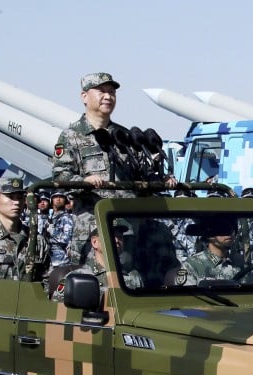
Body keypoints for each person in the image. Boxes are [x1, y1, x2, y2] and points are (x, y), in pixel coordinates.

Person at [52, 72, 174, 264]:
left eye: (111, 92)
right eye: (101, 91)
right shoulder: (71, 136)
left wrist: (161, 179)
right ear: (84, 96)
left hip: (127, 228)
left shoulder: (123, 136)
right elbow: (61, 176)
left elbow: (142, 170)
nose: (108, 97)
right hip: (93, 227)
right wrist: (84, 182)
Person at [174, 216, 241, 285]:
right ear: (209, 234)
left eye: (234, 228)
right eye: (224, 228)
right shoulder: (192, 265)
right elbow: (185, 295)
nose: (231, 233)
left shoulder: (239, 264)